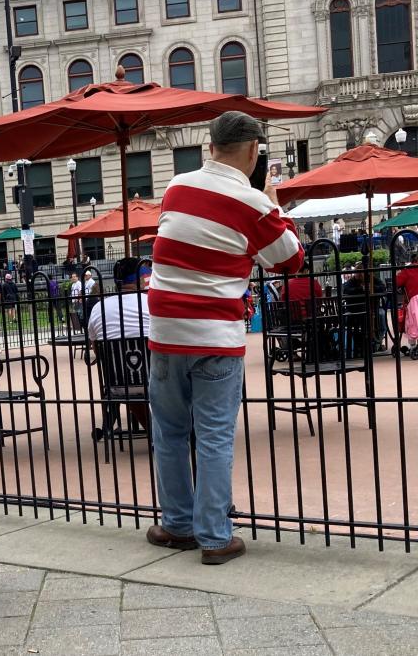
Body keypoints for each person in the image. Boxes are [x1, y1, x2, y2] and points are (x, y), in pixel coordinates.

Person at [147, 111, 304, 564]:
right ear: (254, 151)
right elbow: (289, 262)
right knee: (213, 436)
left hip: (165, 332)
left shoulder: (177, 188)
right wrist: (273, 205)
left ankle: (177, 525)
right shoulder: (252, 203)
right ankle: (214, 537)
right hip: (215, 334)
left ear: (210, 147)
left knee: (171, 434)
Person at [88, 257, 152, 431]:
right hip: (155, 381)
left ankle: (154, 431)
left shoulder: (98, 308)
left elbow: (97, 349)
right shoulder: (152, 304)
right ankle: (176, 433)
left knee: (131, 382)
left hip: (117, 385)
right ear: (140, 279)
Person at [397, 253, 418, 357]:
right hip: (414, 301)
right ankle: (413, 346)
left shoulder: (407, 271)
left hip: (413, 301)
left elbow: (396, 282)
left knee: (412, 322)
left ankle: (413, 346)